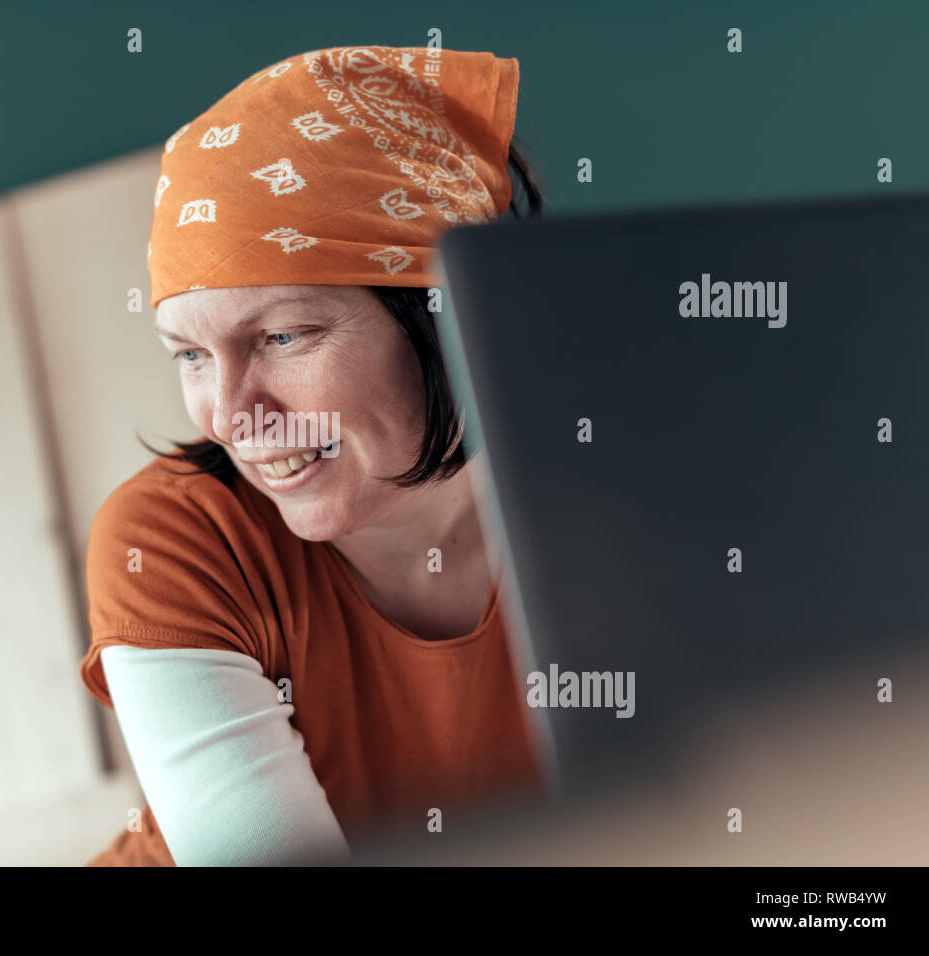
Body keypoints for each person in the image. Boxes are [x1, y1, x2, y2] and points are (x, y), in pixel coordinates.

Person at [78, 44, 545, 866]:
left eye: (283, 335)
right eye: (188, 355)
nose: (229, 415)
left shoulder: (605, 481)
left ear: (445, 315)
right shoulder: (175, 540)